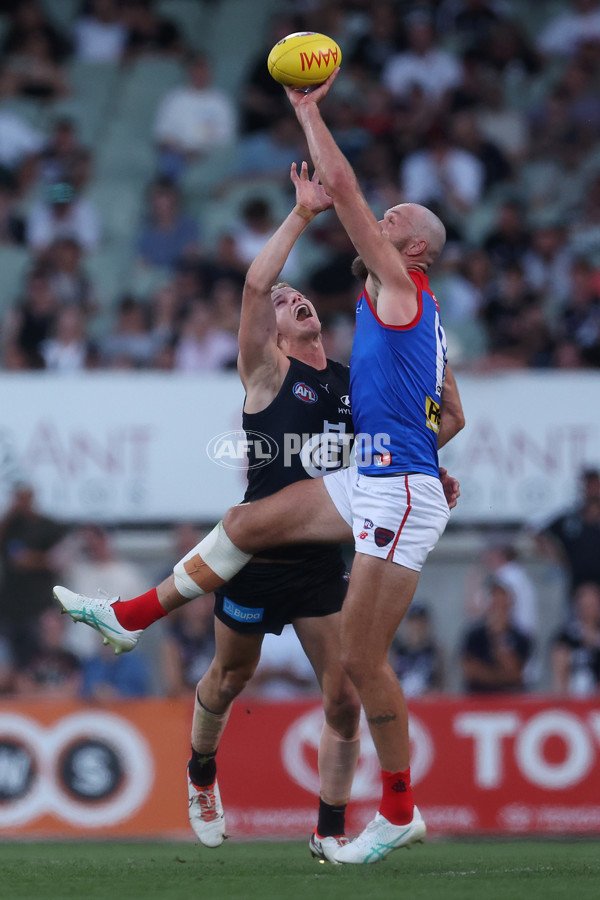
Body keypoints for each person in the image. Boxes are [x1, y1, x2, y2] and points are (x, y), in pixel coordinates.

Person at [54, 70, 465, 864]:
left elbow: (341, 184)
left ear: (411, 249)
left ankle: (386, 812)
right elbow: (451, 412)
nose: (379, 220)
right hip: (370, 485)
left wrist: (308, 109)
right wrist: (421, 453)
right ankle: (129, 619)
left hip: (387, 489)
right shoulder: (403, 319)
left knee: (356, 671)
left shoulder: (399, 287)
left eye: (394, 220)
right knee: (244, 527)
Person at [461, 579, 532, 694]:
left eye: (502, 603)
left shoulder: (521, 637)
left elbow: (516, 674)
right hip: (478, 699)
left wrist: (499, 638)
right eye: (495, 602)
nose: (498, 608)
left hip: (510, 699)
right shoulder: (474, 635)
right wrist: (501, 676)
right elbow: (470, 671)